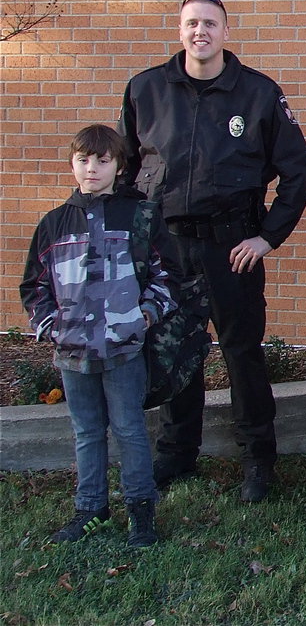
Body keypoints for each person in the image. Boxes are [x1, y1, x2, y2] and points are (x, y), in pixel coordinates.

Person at [119, 0, 306, 502]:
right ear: (180, 31)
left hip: (232, 247)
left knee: (241, 354)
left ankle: (257, 459)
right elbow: (124, 173)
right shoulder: (146, 90)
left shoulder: (256, 94)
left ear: (226, 32)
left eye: (210, 23)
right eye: (191, 24)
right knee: (175, 352)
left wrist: (267, 236)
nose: (200, 32)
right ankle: (177, 452)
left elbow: (299, 171)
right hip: (167, 248)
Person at [20, 125, 177, 548]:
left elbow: (168, 275)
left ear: (119, 166)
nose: (92, 169)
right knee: (87, 432)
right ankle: (91, 508)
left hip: (123, 349)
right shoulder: (53, 224)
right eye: (83, 160)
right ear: (72, 163)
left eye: (102, 161)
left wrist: (144, 315)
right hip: (72, 355)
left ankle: (141, 512)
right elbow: (34, 286)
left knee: (129, 429)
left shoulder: (141, 216)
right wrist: (51, 327)